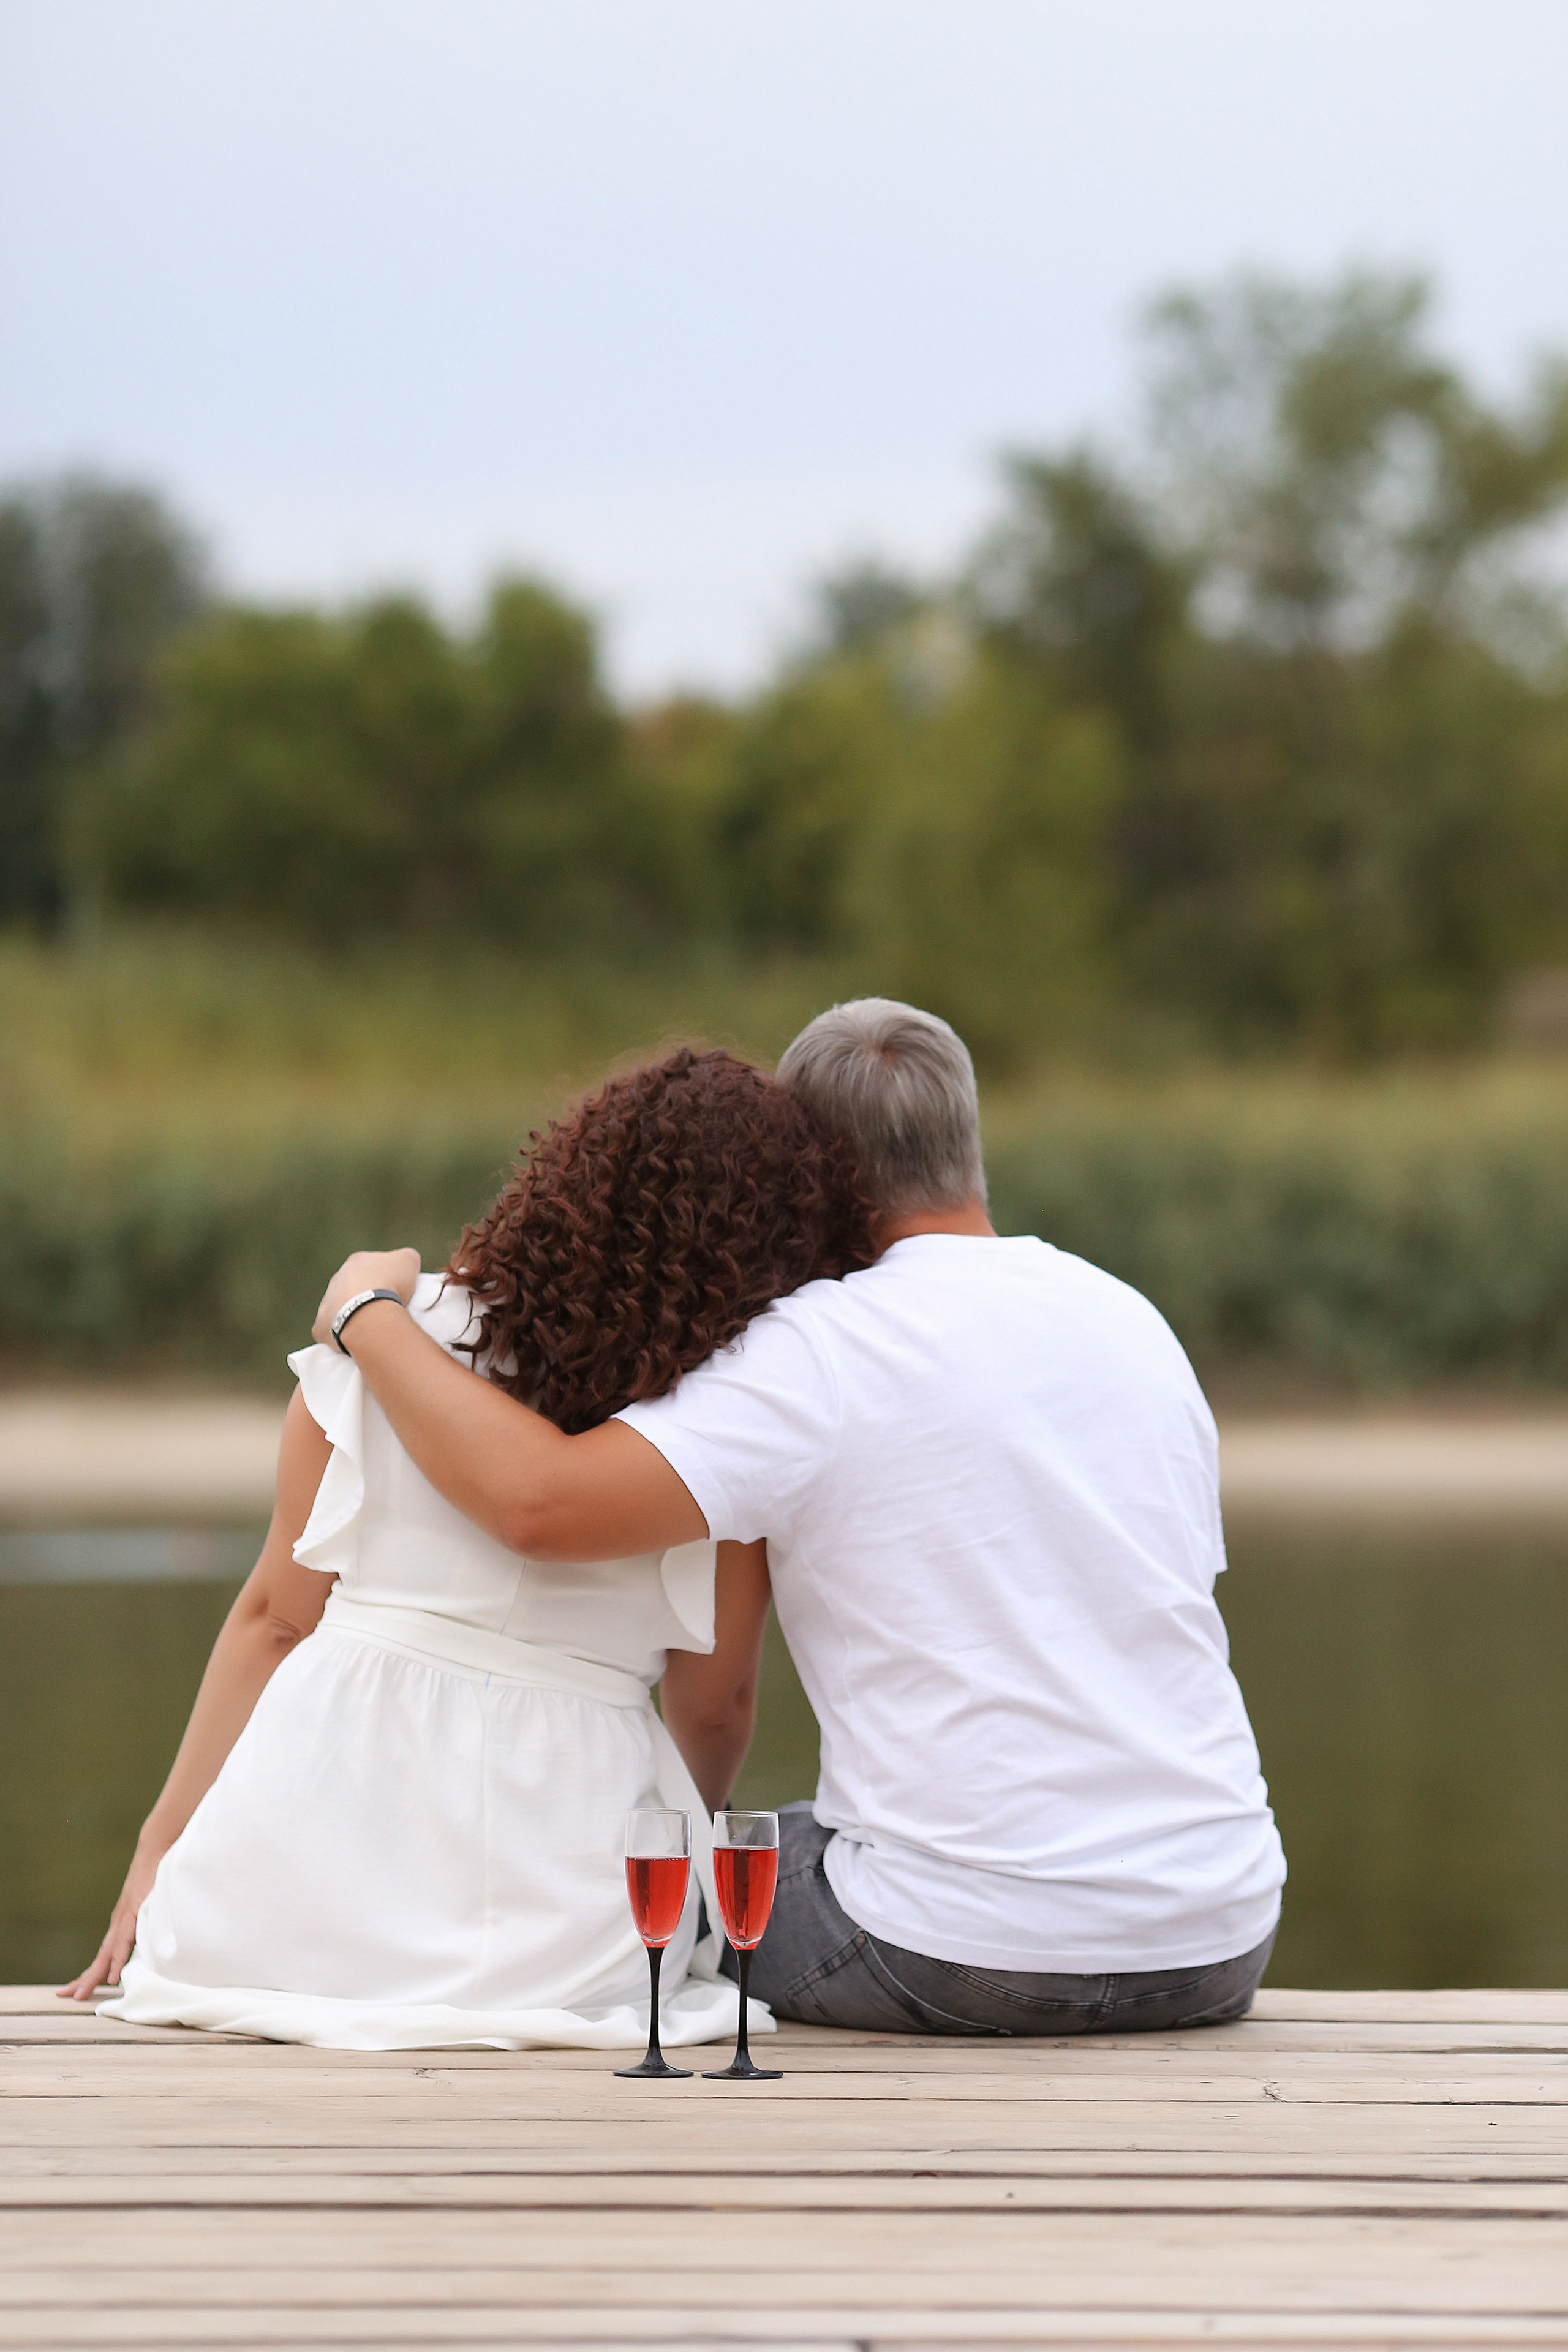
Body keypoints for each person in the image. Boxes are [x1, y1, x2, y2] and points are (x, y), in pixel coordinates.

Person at [302, 999, 1286, 2037]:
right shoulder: (1132, 1323)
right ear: (965, 1138)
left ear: (815, 1175)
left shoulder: (817, 1351)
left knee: (640, 1895)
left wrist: (371, 1319)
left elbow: (539, 1506)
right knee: (817, 1835)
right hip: (1216, 1936)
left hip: (954, 1953)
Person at [64, 1046, 874, 2052]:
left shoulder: (386, 1339)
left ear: (574, 1175)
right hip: (564, 1909)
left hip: (302, 1878)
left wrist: (159, 1849)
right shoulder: (716, 1438)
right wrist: (681, 1862)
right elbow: (716, 1707)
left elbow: (275, 1622)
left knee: (243, 1948)